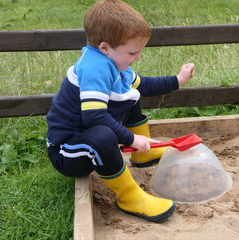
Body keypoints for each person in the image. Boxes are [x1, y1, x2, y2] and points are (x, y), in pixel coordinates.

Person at [46, 0, 194, 223]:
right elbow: (93, 116)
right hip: (68, 150)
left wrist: (178, 80)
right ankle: (129, 197)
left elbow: (143, 86)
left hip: (86, 137)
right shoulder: (95, 68)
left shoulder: (113, 63)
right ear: (105, 47)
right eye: (133, 52)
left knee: (130, 96)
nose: (138, 58)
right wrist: (131, 138)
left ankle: (143, 154)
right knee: (103, 135)